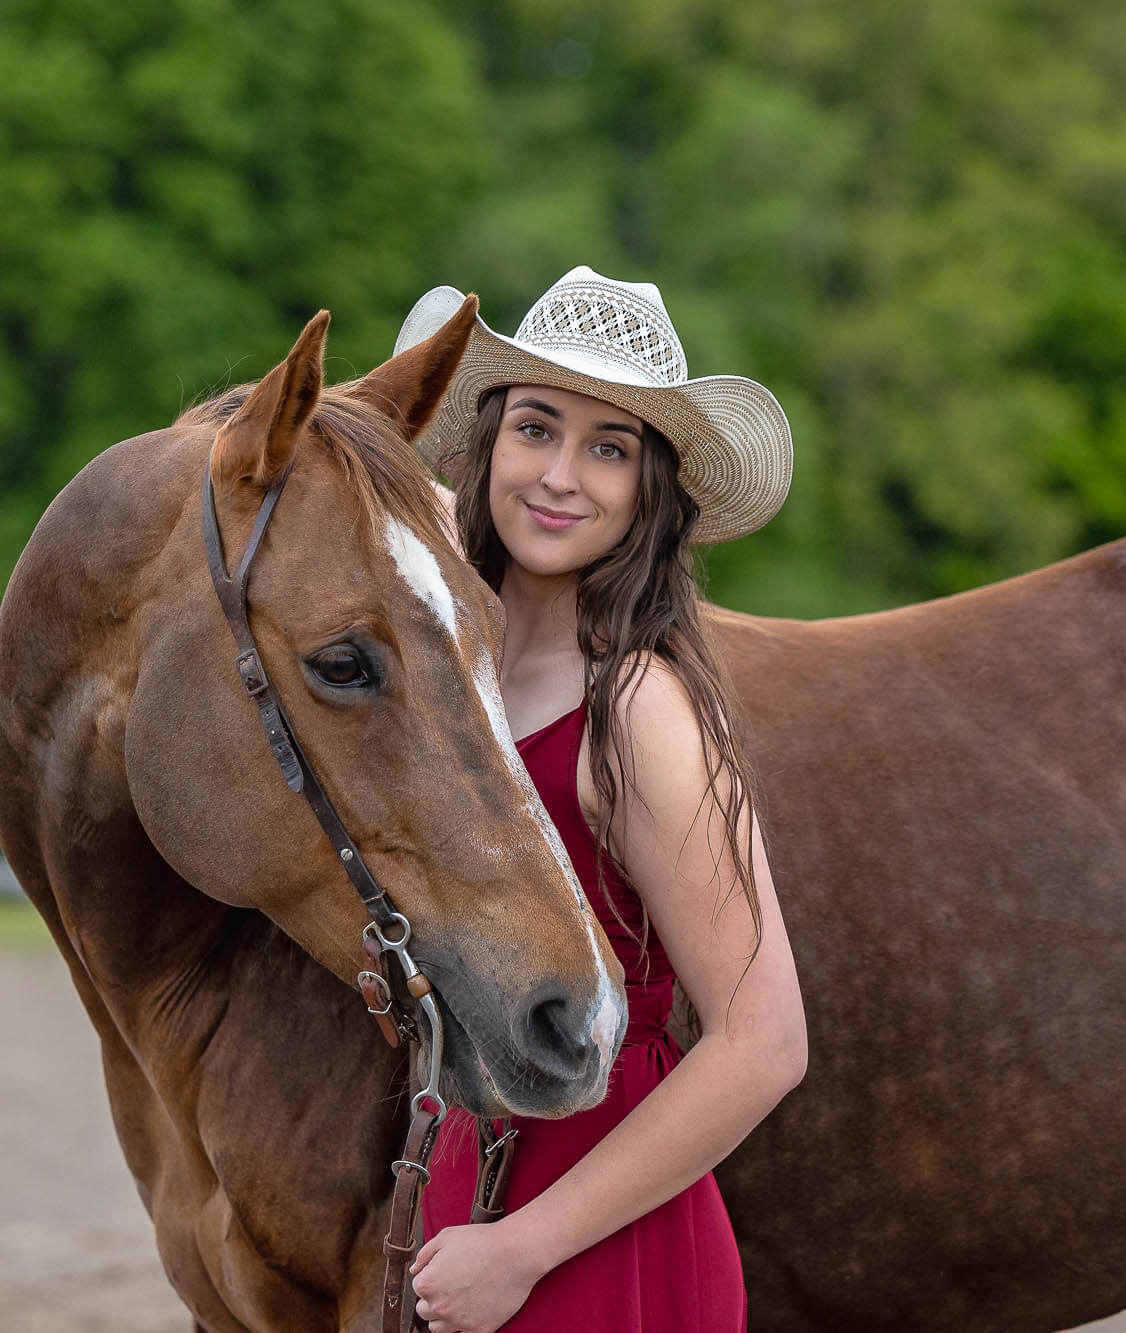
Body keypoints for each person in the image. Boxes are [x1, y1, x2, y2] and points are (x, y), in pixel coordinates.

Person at [393, 267, 808, 1333]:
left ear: (647, 490)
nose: (561, 475)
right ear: (485, 446)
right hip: (463, 1169)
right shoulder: (457, 664)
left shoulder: (638, 708)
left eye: (608, 447)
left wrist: (522, 1250)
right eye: (535, 428)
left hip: (592, 1225)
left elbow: (764, 1042)